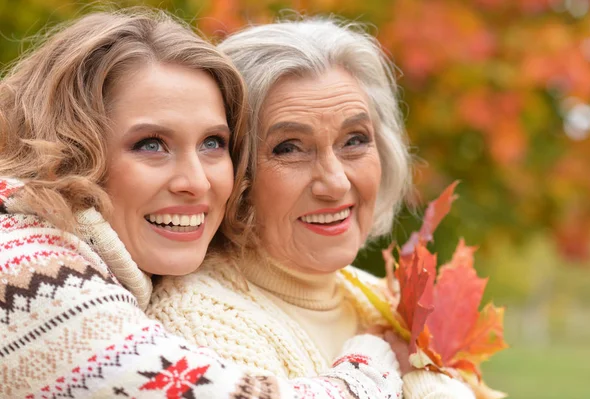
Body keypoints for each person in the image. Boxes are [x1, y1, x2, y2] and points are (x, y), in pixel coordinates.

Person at [0, 9, 403, 398]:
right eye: (151, 145)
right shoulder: (30, 269)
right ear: (70, 154)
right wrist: (375, 363)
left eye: (213, 143)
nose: (197, 182)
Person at [147, 18, 475, 398]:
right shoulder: (198, 322)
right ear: (236, 170)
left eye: (354, 140)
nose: (335, 182)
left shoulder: (382, 297)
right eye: (289, 148)